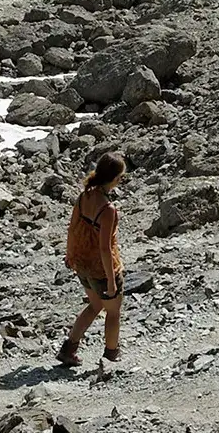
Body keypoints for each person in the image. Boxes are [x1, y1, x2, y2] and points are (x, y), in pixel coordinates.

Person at [59, 152, 126, 366]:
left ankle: (68, 349)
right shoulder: (108, 209)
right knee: (113, 312)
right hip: (101, 269)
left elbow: (72, 229)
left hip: (83, 264)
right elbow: (105, 248)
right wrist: (111, 280)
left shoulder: (84, 195)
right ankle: (111, 355)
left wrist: (71, 255)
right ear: (114, 178)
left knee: (95, 305)